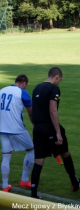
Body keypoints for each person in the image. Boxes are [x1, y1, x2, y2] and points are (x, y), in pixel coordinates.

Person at [31, 67, 80, 199]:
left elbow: (34, 110)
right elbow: (53, 110)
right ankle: (75, 183)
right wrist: (58, 133)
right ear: (57, 77)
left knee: (38, 161)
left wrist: (37, 127)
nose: (59, 83)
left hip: (38, 129)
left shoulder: (36, 87)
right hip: (50, 128)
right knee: (65, 154)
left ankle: (33, 193)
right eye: (60, 80)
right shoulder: (54, 89)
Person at [0, 74, 34, 192]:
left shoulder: (1, 91)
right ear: (24, 83)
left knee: (6, 156)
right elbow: (31, 112)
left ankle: (5, 186)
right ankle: (24, 179)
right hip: (17, 129)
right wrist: (35, 124)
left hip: (3, 129)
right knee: (31, 149)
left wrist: (0, 124)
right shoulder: (22, 92)